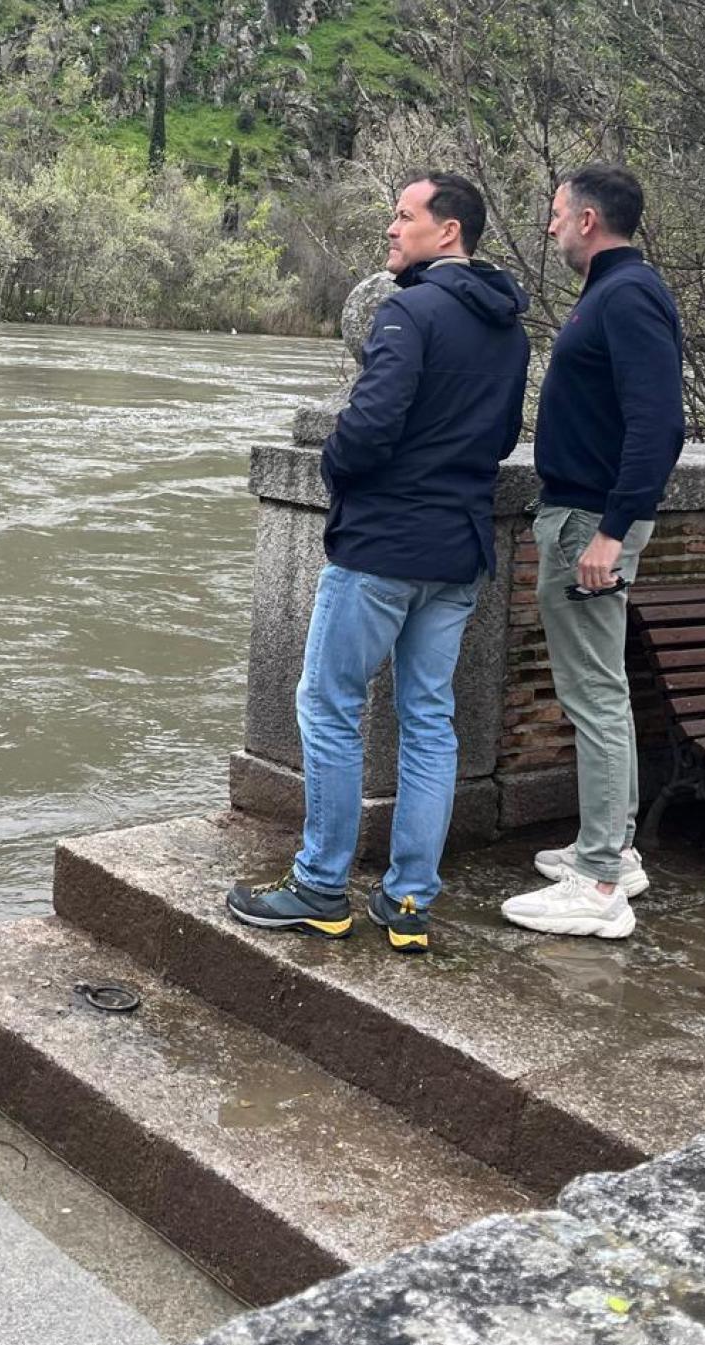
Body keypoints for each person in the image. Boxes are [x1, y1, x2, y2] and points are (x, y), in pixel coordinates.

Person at [227, 173, 531, 954]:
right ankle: (409, 902)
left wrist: (337, 469)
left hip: (384, 546)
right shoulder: (508, 328)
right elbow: (502, 438)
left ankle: (321, 888)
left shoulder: (409, 310)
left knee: (328, 703)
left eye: (403, 215)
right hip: (458, 549)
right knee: (428, 719)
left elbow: (368, 426)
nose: (391, 229)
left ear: (448, 231)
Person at [501, 163, 685, 939]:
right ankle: (613, 850)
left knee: (595, 697)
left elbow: (659, 424)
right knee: (600, 691)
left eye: (555, 212)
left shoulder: (629, 294)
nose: (548, 226)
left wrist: (611, 531)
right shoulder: (614, 290)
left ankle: (601, 882)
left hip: (589, 522)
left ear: (586, 219)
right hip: (584, 515)